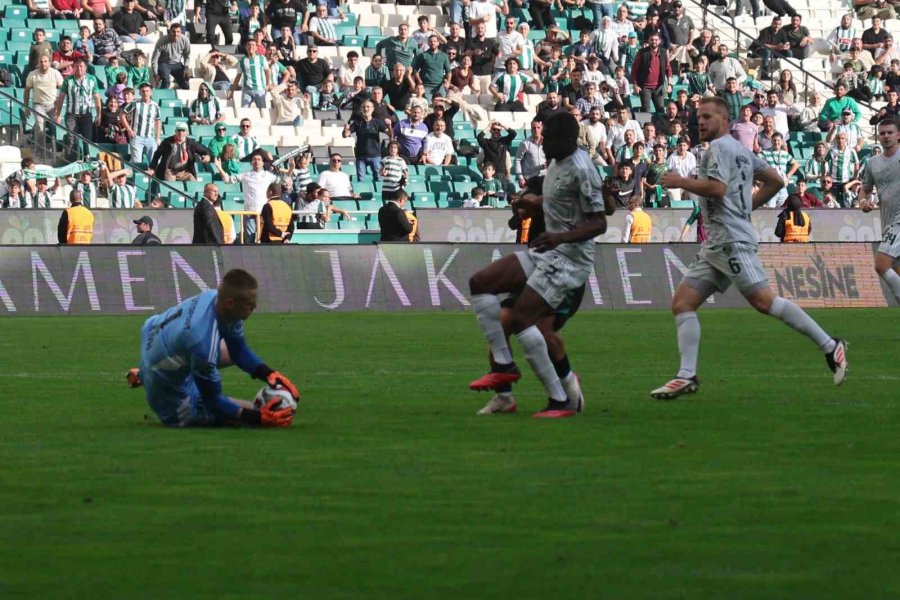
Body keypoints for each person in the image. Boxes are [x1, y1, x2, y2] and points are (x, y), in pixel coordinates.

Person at [649, 97, 847, 401]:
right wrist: (745, 208)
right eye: (698, 117)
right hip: (717, 243)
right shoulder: (741, 151)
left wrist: (681, 181)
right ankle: (687, 375)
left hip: (730, 241)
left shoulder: (718, 148)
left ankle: (831, 346)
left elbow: (717, 188)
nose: (700, 122)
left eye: (707, 117)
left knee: (764, 301)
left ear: (725, 120)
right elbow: (775, 181)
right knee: (682, 303)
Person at [467, 112, 615, 418]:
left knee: (524, 320)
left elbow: (600, 221)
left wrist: (561, 237)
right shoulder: (556, 164)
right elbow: (559, 202)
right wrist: (531, 204)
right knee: (481, 284)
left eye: (546, 136)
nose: (541, 141)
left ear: (564, 138)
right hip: (545, 251)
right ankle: (505, 373)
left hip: (568, 260)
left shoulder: (583, 168)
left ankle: (563, 399)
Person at [127, 269, 297, 428]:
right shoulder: (201, 342)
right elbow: (213, 400)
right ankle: (152, 377)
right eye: (250, 305)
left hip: (153, 337)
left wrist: (269, 374)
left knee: (213, 353)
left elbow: (238, 351)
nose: (254, 308)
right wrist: (256, 417)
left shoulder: (215, 299)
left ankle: (147, 372)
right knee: (257, 413)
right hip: (175, 404)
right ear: (231, 304)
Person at [859, 117, 900, 306]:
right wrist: (863, 202)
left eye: (890, 132)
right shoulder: (872, 163)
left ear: (898, 135)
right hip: (887, 221)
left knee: (881, 264)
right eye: (882, 133)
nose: (885, 136)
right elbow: (865, 188)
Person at [54, 57, 102, 162]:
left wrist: (99, 115)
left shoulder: (92, 79)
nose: (79, 69)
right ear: (73, 67)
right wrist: (58, 114)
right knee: (71, 138)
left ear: (85, 68)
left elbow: (97, 97)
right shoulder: (68, 80)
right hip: (72, 114)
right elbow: (61, 97)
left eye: (81, 66)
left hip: (87, 114)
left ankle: (87, 161)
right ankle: (70, 162)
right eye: (77, 66)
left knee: (87, 139)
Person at [122, 83, 162, 165]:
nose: (145, 93)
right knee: (137, 164)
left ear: (151, 92)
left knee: (155, 163)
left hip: (150, 138)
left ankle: (153, 178)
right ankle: (138, 178)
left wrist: (157, 138)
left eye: (147, 91)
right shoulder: (134, 103)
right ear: (140, 93)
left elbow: (158, 121)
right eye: (143, 91)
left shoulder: (155, 106)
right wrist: (129, 129)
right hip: (136, 137)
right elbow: (122, 115)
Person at [151, 22, 191, 89]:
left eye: (178, 32)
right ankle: (161, 97)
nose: (176, 34)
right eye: (173, 32)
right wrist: (156, 73)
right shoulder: (162, 41)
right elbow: (154, 59)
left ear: (181, 32)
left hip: (177, 64)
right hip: (164, 63)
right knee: (166, 81)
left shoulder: (185, 40)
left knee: (186, 83)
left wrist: (186, 68)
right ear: (169, 32)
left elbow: (187, 56)